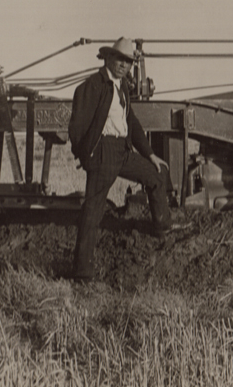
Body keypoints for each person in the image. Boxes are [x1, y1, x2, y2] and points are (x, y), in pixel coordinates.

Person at [68, 37, 186, 281]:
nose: (124, 65)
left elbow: (131, 122)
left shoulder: (121, 86)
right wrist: (86, 155)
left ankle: (162, 226)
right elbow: (76, 127)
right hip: (103, 152)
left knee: (156, 174)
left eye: (128, 61)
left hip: (122, 150)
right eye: (119, 59)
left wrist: (151, 155)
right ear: (108, 58)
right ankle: (82, 273)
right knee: (93, 211)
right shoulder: (92, 86)